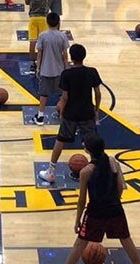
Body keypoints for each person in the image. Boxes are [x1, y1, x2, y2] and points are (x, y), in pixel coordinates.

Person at [64, 134, 140, 264]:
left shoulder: (85, 171)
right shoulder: (113, 162)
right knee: (126, 240)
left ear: (87, 150)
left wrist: (77, 220)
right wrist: (113, 201)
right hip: (115, 209)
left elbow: (82, 200)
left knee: (79, 245)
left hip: (95, 212)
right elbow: (121, 186)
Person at [39, 43, 101, 183]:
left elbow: (65, 97)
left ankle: (51, 171)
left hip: (71, 113)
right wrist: (96, 110)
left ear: (71, 58)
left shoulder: (67, 74)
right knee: (91, 142)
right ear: (84, 56)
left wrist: (62, 111)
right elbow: (97, 93)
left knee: (60, 140)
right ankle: (98, 171)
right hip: (87, 112)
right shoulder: (92, 72)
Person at [32, 12, 69, 126]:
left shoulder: (43, 35)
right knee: (62, 95)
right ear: (58, 22)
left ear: (47, 22)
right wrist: (66, 67)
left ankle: (40, 117)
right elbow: (65, 54)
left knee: (43, 95)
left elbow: (39, 53)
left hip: (46, 70)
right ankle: (63, 116)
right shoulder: (62, 36)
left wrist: (38, 67)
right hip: (59, 71)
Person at [25, 0, 54, 72]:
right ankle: (43, 62)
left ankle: (33, 63)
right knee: (45, 42)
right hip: (43, 18)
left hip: (33, 17)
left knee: (32, 42)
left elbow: (27, 2)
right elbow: (50, 1)